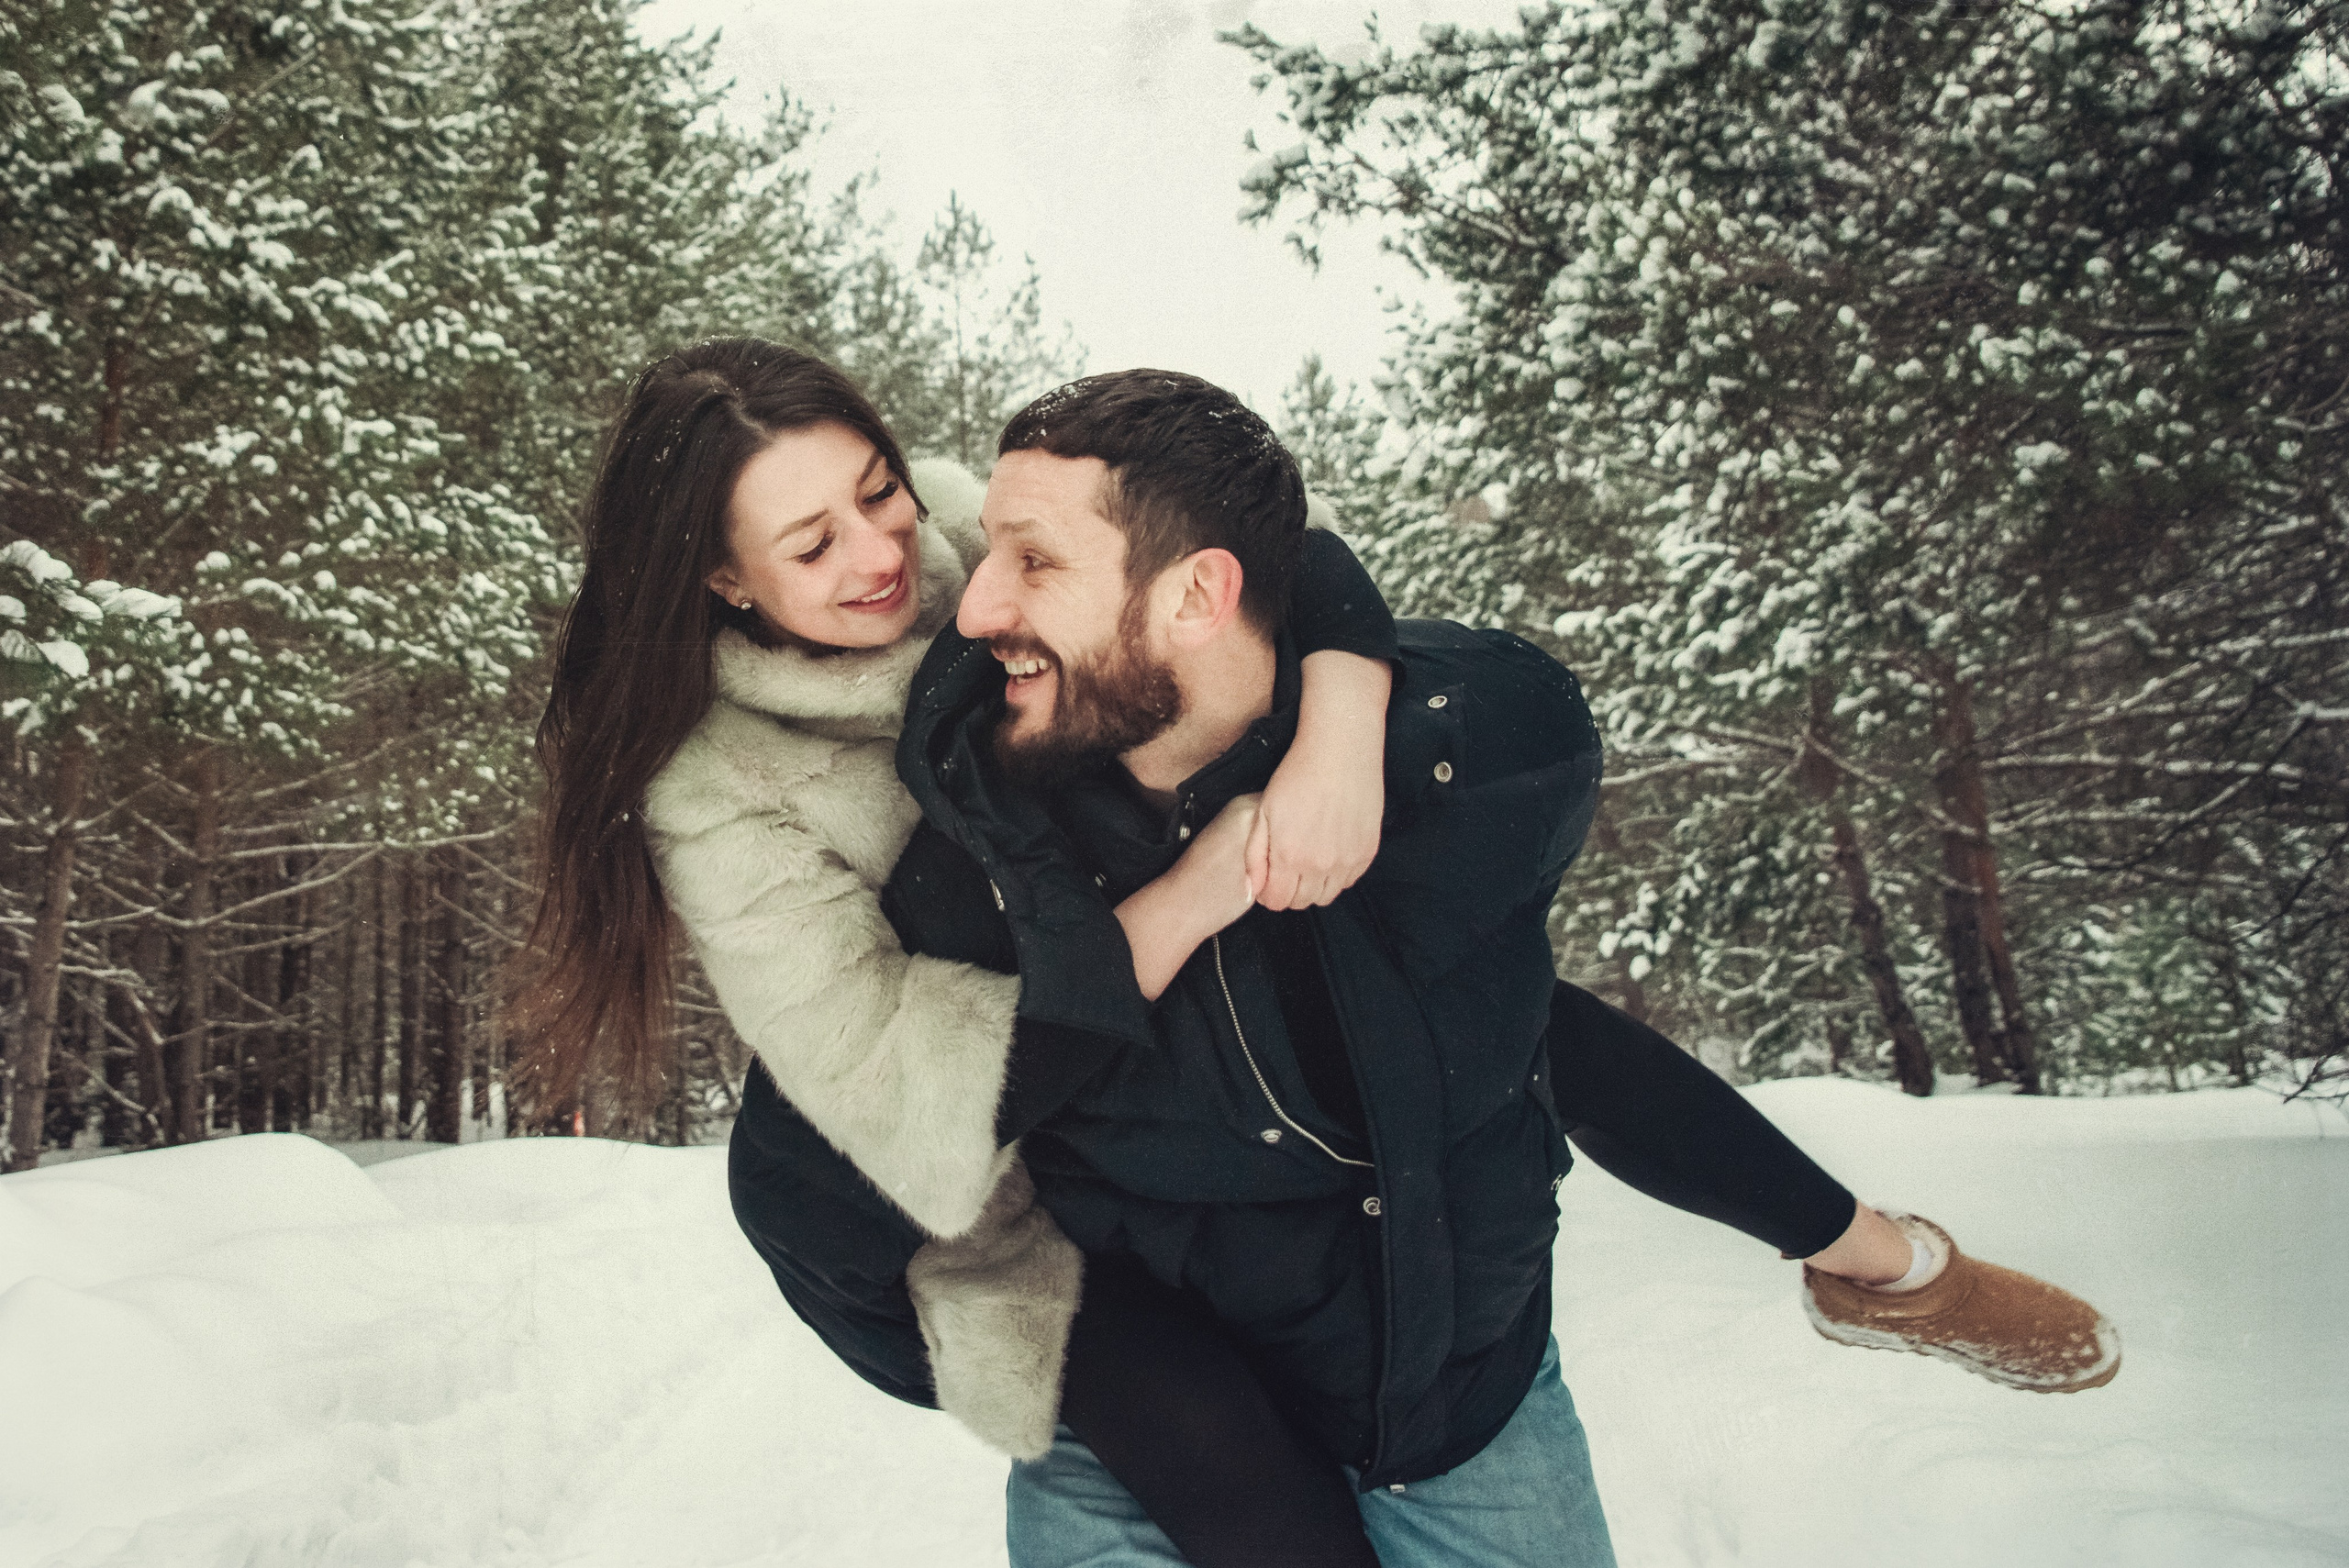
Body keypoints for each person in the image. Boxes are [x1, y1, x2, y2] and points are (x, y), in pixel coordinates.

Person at [726, 368, 2121, 1567]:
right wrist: (1036, 1349)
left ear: (1201, 595)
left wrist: (1347, 717)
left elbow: (1342, 592)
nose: (970, 604)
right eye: (991, 554)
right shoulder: (967, 847)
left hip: (1451, 1392)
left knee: (1508, 1030)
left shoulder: (1458, 765)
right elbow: (805, 1184)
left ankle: (1887, 1264)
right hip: (1153, 1412)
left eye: (1030, 561)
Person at [512, 339, 1400, 1568]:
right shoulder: (718, 789)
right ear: (723, 577)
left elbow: (1259, 549)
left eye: (877, 490)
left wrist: (1345, 730)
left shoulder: (977, 551)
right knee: (1240, 1477)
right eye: (811, 546)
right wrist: (1198, 892)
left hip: (1131, 1083)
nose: (881, 553)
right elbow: (894, 1071)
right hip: (935, 1188)